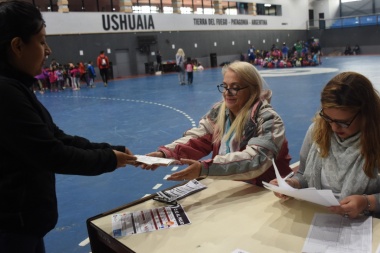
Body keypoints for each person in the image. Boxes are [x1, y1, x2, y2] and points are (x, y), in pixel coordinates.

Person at [0, 1, 137, 252]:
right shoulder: (6, 93)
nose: (48, 50)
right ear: (17, 46)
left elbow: (56, 137)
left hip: (23, 227)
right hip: (12, 231)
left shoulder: (17, 89)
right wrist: (109, 159)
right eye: (41, 42)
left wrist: (111, 150)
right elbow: (52, 153)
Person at [140, 61, 292, 185]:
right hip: (231, 187)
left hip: (265, 191)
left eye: (235, 88)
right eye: (225, 86)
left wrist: (205, 168)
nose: (227, 92)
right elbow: (198, 139)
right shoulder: (219, 112)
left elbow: (256, 160)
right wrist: (165, 153)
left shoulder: (268, 120)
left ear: (252, 90)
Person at [270, 72, 380, 219]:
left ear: (366, 113)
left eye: (343, 122)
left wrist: (368, 202)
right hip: (319, 217)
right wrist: (291, 184)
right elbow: (303, 175)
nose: (334, 128)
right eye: (328, 118)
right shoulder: (317, 132)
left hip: (368, 224)